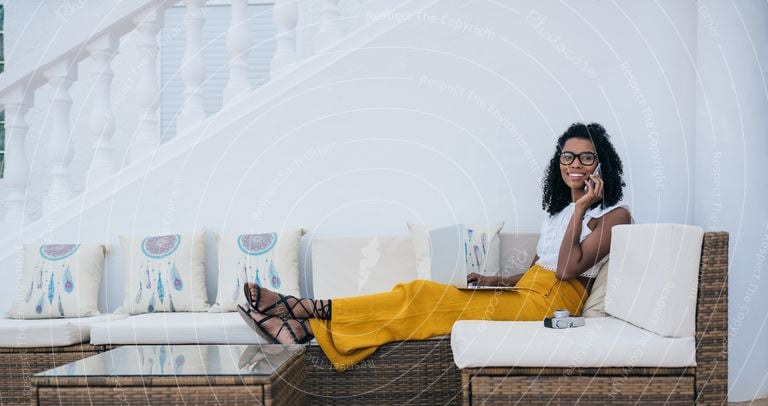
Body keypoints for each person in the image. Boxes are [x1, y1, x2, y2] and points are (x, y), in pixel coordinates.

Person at [238, 122, 632, 370]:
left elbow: (565, 269)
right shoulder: (557, 212)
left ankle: (301, 310)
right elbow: (536, 267)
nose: (574, 163)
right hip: (526, 291)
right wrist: (493, 279)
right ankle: (303, 328)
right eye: (568, 156)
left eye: (586, 157)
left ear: (602, 164)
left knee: (420, 295)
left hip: (552, 304)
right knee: (418, 293)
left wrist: (582, 207)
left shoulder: (616, 215)